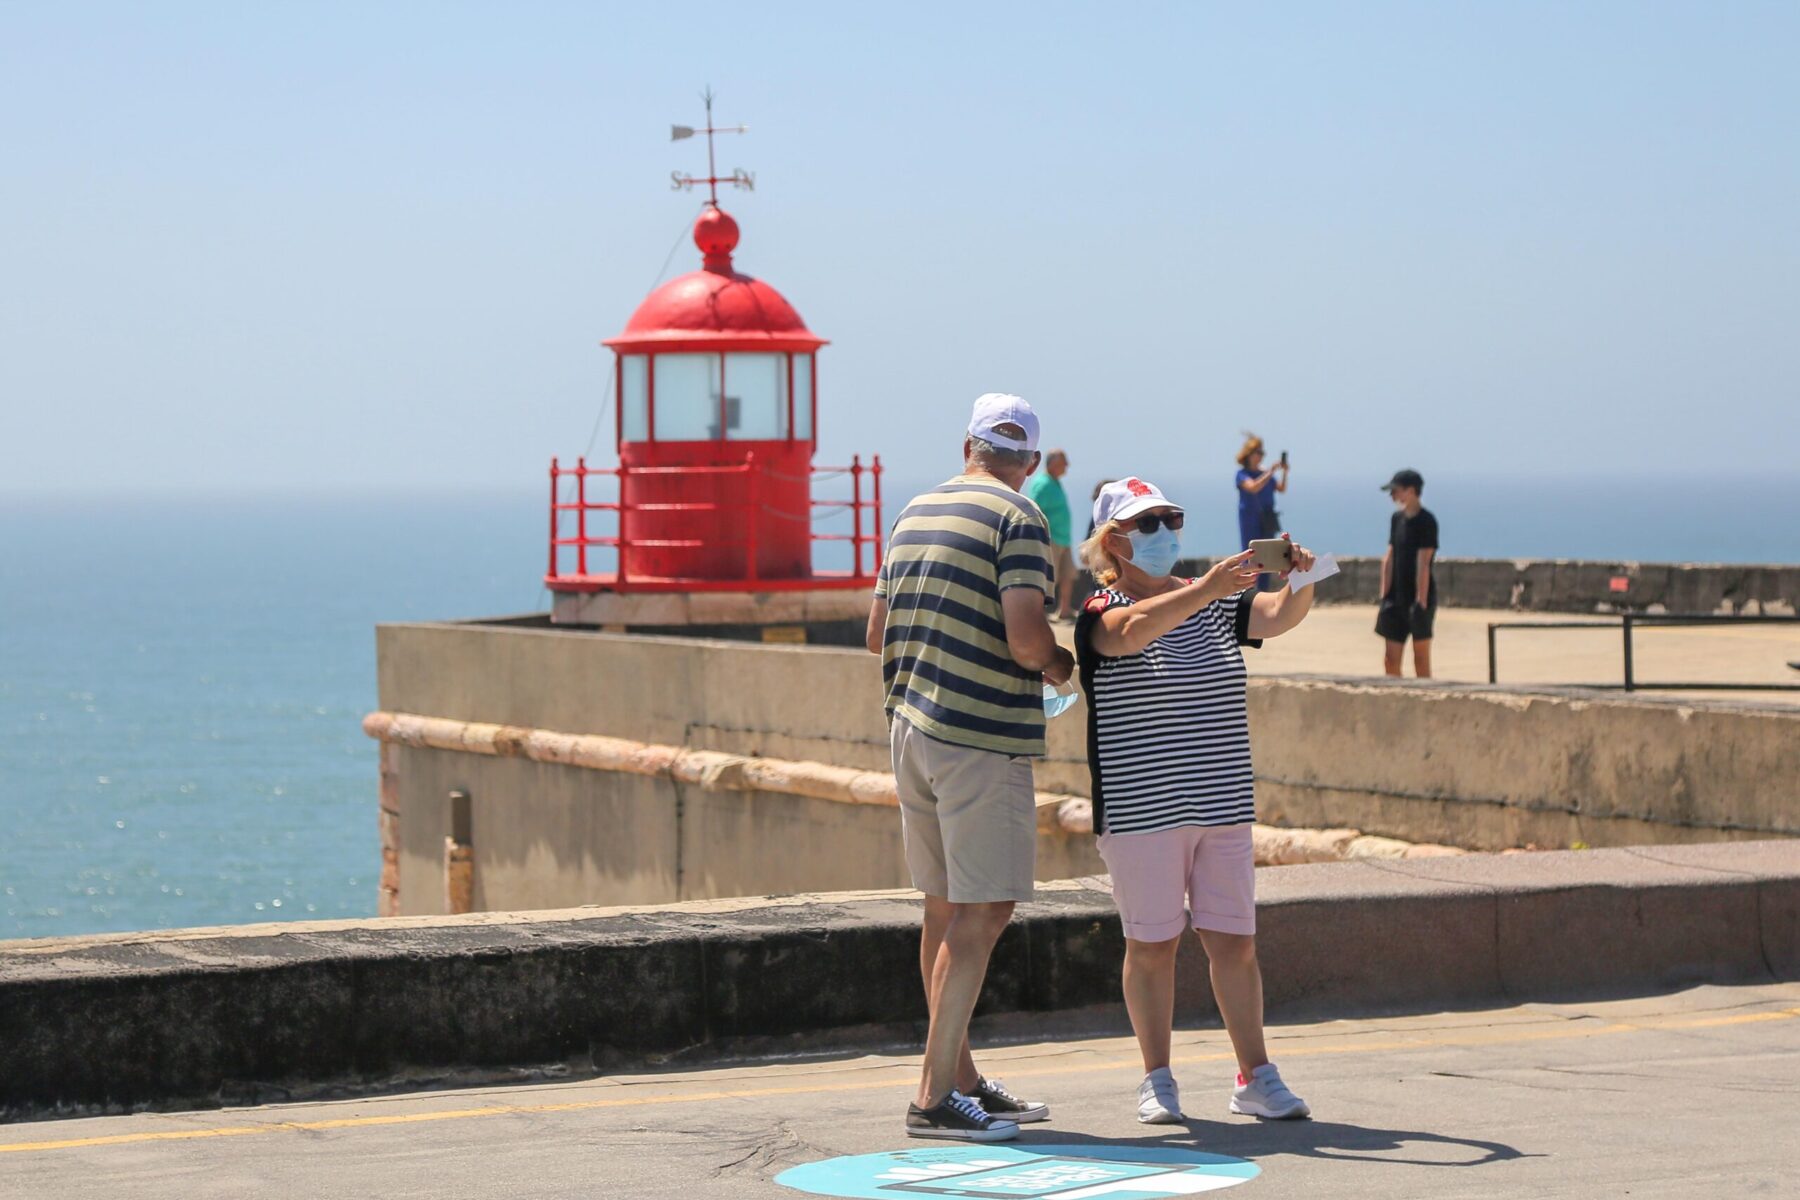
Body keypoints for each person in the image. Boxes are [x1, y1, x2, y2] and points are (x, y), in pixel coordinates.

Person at [865, 392, 1076, 1143]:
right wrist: (1059, 665)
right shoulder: (1020, 518)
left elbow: (874, 633)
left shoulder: (914, 512)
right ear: (1026, 462)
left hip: (911, 729)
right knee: (985, 911)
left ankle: (962, 1080)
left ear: (968, 446)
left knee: (943, 908)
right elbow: (1026, 636)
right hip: (980, 738)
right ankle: (932, 1097)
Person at [1075, 477, 1318, 1126]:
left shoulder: (1208, 602)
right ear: (1112, 542)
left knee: (1234, 942)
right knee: (1152, 946)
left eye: (1169, 518)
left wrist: (1303, 580)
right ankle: (1157, 1078)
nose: (1163, 533)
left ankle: (1256, 1077)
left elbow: (1274, 616)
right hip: (1141, 811)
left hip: (1221, 802)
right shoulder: (1099, 610)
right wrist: (1207, 588)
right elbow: (1128, 635)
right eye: (1145, 524)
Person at [1375, 469, 1438, 679]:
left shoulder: (1427, 521)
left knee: (1420, 660)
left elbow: (1424, 563)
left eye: (1396, 491)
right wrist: (1384, 597)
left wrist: (1420, 603)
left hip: (1418, 598)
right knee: (1390, 660)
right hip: (1395, 596)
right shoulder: (1396, 519)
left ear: (1411, 491)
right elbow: (1390, 556)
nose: (1392, 496)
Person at [1024, 448, 1076, 622]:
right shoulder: (1043, 483)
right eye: (1064, 462)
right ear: (1054, 463)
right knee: (1046, 577)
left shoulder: (1055, 482)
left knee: (1067, 575)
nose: (1067, 465)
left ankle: (1065, 609)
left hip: (1064, 538)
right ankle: (1040, 613)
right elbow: (1035, 509)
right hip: (1051, 539)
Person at [1234, 436, 1288, 590]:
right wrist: (1271, 471)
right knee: (1250, 553)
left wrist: (1284, 472)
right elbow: (1253, 487)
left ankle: (1262, 590)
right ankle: (1247, 590)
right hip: (1250, 518)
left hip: (1266, 519)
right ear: (1249, 454)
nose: (1260, 456)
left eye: (1261, 452)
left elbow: (1281, 488)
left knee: (1267, 556)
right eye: (1257, 452)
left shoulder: (1265, 474)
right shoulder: (1242, 474)